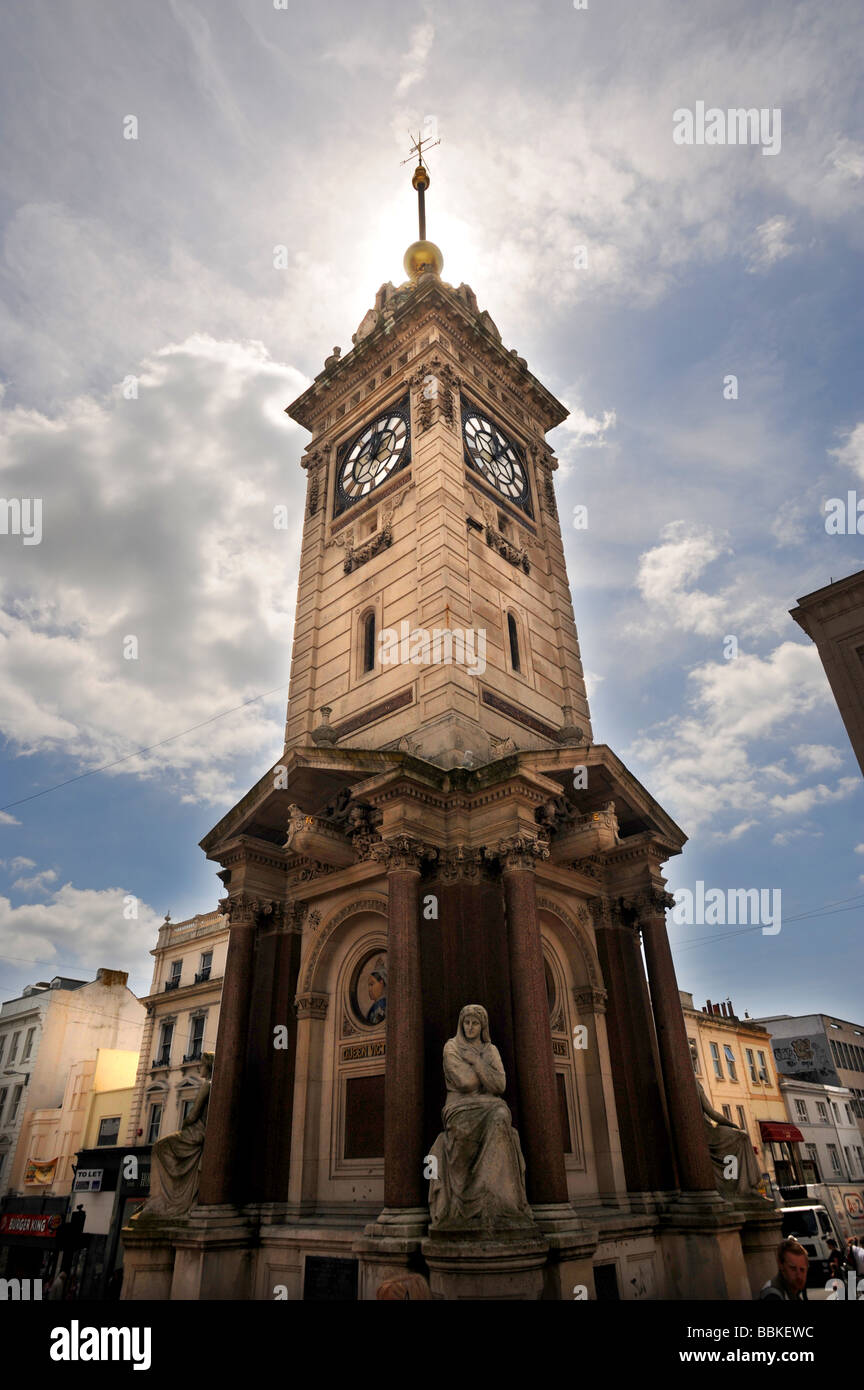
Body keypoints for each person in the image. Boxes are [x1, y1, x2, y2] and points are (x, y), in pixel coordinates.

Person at [427, 1004, 533, 1231]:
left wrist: (476, 1062)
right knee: (491, 1115)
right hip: (459, 1108)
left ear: (482, 1026)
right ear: (461, 1023)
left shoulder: (490, 1050)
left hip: (490, 1106)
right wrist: (486, 1073)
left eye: (475, 1023)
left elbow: (500, 1085)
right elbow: (466, 1083)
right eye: (466, 1022)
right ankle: (469, 1198)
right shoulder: (451, 1047)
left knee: (501, 1115)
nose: (470, 1027)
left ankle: (492, 1197)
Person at [131, 1054, 213, 1219]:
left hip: (196, 1132)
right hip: (201, 1131)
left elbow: (193, 1114)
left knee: (160, 1147)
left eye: (202, 1064)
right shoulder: (212, 1085)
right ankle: (168, 1196)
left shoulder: (207, 1085)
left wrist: (183, 1126)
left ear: (209, 1066)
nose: (199, 1067)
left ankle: (167, 1198)